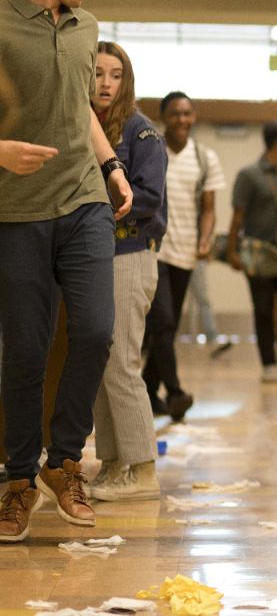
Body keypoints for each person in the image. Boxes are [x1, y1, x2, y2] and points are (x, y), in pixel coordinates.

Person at [0, 0, 134, 542]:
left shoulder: (87, 27)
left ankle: (64, 462)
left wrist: (112, 166)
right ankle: (19, 479)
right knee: (26, 350)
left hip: (84, 201)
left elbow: (80, 107)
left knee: (97, 330)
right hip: (17, 210)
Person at [88, 41, 167, 501]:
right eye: (98, 73)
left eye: (115, 75)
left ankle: (142, 468)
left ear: (127, 81)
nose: (105, 83)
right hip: (97, 256)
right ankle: (114, 461)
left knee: (122, 363)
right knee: (100, 363)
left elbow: (148, 197)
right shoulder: (89, 127)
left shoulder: (141, 133)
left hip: (132, 254)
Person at [142, 91, 225, 421]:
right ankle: (175, 391)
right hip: (153, 249)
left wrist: (205, 239)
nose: (182, 119)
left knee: (167, 327)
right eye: (175, 114)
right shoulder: (152, 150)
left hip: (186, 253)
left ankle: (149, 391)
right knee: (162, 321)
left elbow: (209, 209)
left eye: (187, 113)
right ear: (163, 117)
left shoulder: (204, 158)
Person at [227, 120, 277, 382]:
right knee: (263, 308)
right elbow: (238, 215)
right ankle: (268, 363)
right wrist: (232, 251)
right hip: (258, 253)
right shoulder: (249, 174)